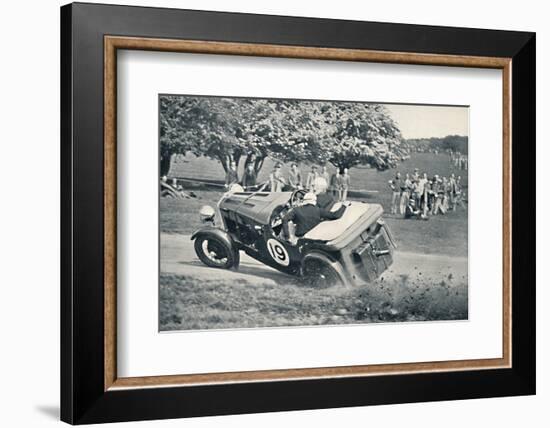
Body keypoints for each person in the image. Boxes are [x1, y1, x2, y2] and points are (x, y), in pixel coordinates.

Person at [282, 192, 347, 244]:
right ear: (314, 201)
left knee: (290, 224)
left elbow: (284, 219)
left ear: (304, 201)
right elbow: (336, 215)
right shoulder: (318, 210)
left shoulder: (296, 210)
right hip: (314, 238)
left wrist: (287, 236)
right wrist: (344, 206)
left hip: (300, 238)